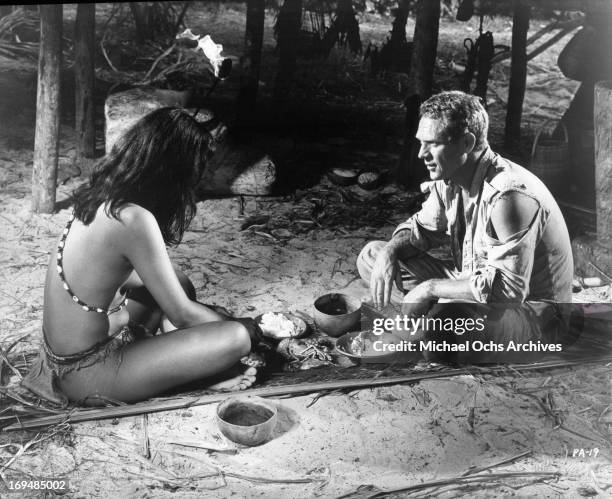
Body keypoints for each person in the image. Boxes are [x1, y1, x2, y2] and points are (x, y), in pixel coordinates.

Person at [23, 108, 261, 406]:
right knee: (237, 338)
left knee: (178, 281)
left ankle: (189, 360)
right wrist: (251, 327)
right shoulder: (134, 218)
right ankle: (202, 370)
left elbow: (113, 276)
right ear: (174, 172)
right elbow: (182, 314)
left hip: (61, 355)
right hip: (84, 374)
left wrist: (205, 316)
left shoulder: (101, 196)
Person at [357, 91, 575, 363]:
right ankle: (434, 315)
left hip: (532, 317)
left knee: (440, 334)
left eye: (432, 144)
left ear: (467, 142)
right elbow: (420, 230)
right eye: (420, 143)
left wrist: (430, 288)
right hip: (474, 281)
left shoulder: (508, 197)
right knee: (372, 256)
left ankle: (434, 319)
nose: (421, 154)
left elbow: (507, 293)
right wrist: (390, 251)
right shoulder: (449, 175)